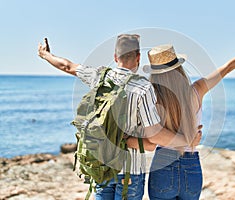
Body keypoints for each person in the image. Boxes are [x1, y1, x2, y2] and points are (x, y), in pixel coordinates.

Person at [38, 34, 201, 200]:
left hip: (102, 165)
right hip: (131, 171)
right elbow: (154, 135)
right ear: (138, 57)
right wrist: (187, 140)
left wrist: (46, 55)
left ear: (115, 57)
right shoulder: (143, 88)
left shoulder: (99, 76)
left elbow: (67, 66)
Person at [141, 32, 235, 200]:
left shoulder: (151, 98)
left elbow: (151, 135)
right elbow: (227, 68)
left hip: (162, 164)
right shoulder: (196, 91)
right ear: (179, 69)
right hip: (190, 163)